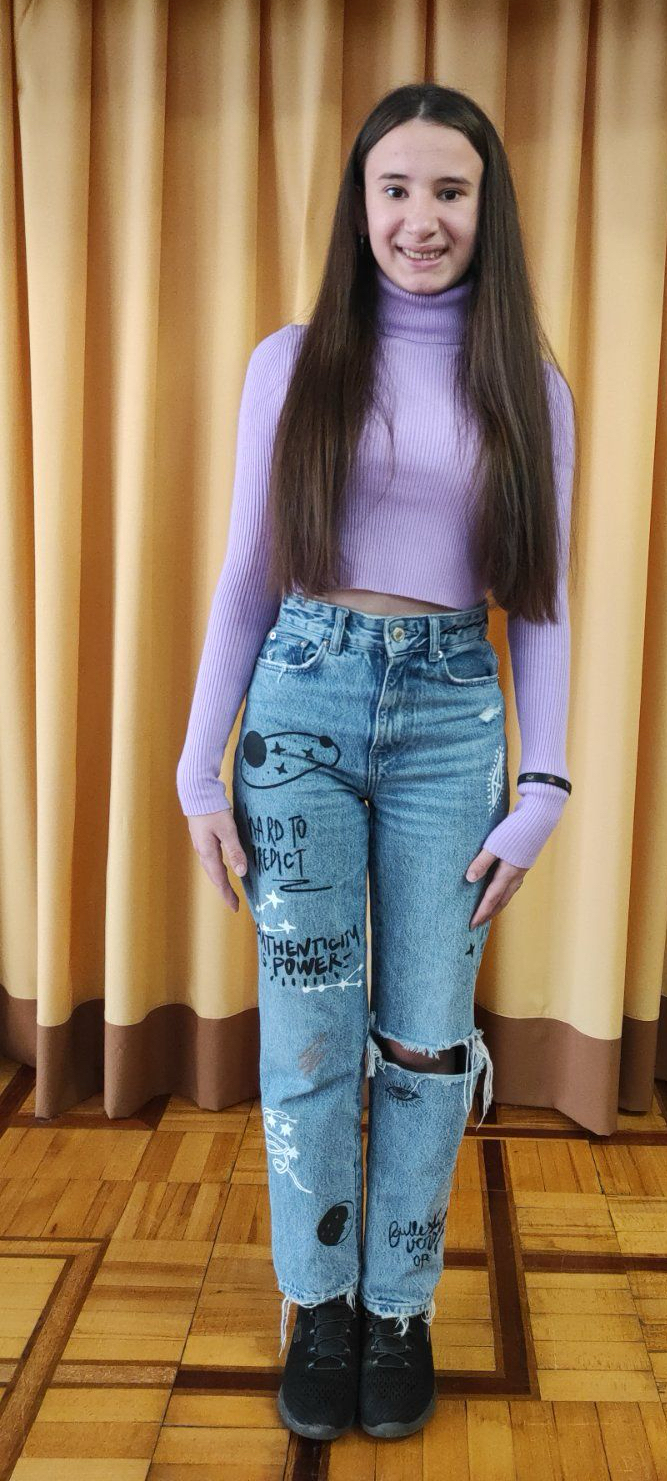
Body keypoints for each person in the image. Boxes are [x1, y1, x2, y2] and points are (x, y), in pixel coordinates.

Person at [176, 82, 577, 1443]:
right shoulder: (290, 363)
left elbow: (542, 605)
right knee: (307, 1038)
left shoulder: (529, 387)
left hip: (451, 722)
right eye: (394, 189)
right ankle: (322, 1304)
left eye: (449, 191)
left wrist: (545, 784)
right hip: (299, 704)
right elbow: (247, 572)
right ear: (360, 206)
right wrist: (198, 768)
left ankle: (399, 1305)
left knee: (424, 1040)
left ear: (485, 209)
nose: (420, 218)